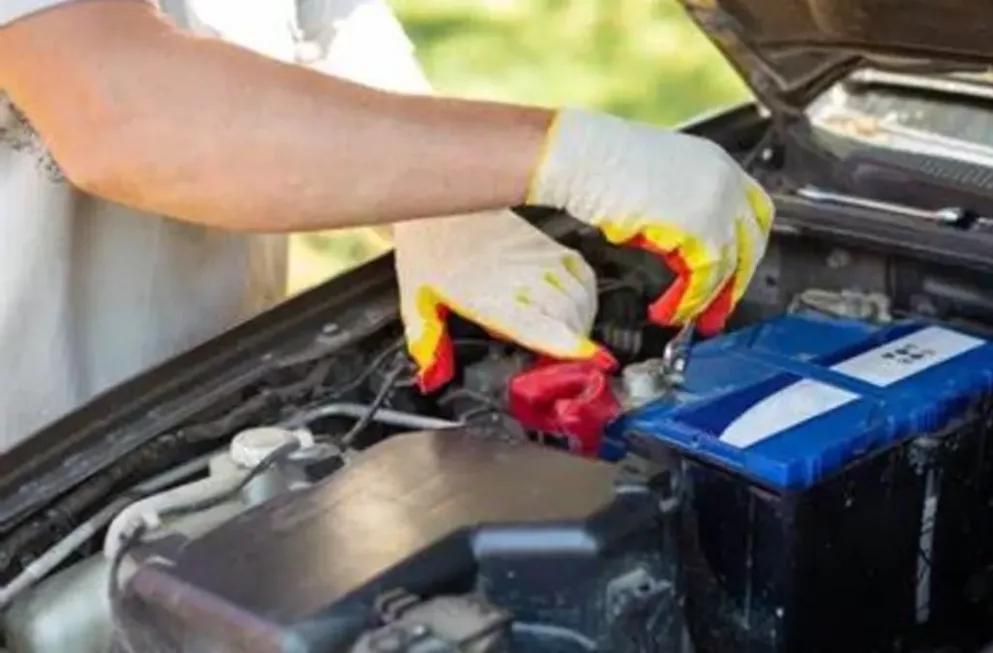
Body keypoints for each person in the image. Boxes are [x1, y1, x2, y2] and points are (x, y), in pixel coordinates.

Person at [0, 0, 773, 449]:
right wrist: (570, 154)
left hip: (202, 402)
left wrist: (434, 204)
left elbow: (321, 20)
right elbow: (120, 106)